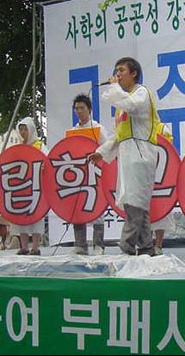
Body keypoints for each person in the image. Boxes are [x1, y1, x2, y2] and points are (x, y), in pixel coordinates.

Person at [88, 57, 160, 256]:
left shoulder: (141, 93)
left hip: (141, 152)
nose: (117, 74)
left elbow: (132, 106)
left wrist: (114, 88)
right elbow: (117, 135)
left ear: (133, 73)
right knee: (135, 201)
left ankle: (126, 246)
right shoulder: (122, 105)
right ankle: (147, 248)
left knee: (135, 201)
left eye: (121, 70)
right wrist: (101, 152)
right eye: (116, 71)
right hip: (127, 154)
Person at [71, 93, 109, 255]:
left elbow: (107, 149)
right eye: (76, 109)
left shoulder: (98, 129)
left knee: (97, 208)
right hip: (78, 175)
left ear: (89, 110)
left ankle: (98, 245)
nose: (79, 111)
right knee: (78, 207)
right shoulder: (72, 132)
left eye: (82, 108)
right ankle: (80, 244)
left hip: (96, 174)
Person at [12, 116, 49, 255]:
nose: (22, 132)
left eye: (25, 129)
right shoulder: (18, 148)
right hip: (21, 187)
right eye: (20, 129)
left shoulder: (39, 146)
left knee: (36, 216)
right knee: (20, 217)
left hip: (36, 187)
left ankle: (35, 247)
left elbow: (48, 160)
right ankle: (23, 247)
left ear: (31, 130)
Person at [151, 122, 176, 256]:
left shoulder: (162, 128)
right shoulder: (138, 126)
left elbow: (169, 149)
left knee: (161, 211)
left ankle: (158, 245)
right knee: (145, 211)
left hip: (162, 175)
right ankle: (146, 244)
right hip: (143, 174)